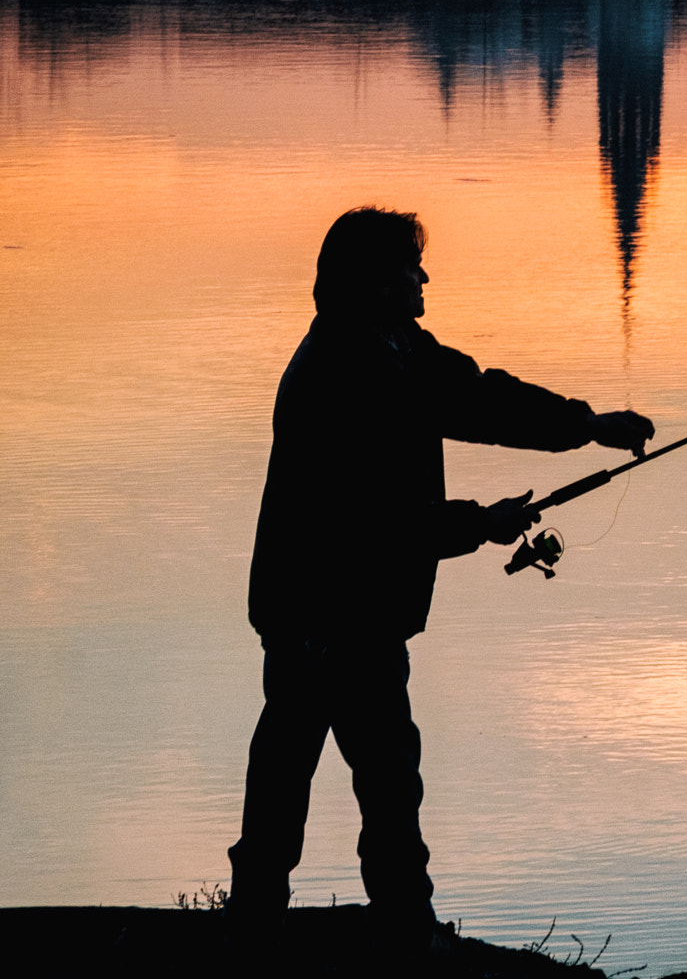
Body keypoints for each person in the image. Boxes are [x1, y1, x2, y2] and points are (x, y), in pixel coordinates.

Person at [226, 206, 653, 960]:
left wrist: (587, 426)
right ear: (376, 280)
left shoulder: (388, 347)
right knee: (366, 781)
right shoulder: (347, 369)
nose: (424, 277)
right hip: (327, 616)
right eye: (410, 267)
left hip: (340, 611)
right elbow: (368, 517)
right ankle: (384, 935)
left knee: (322, 777)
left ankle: (285, 930)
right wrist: (474, 525)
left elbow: (479, 397)